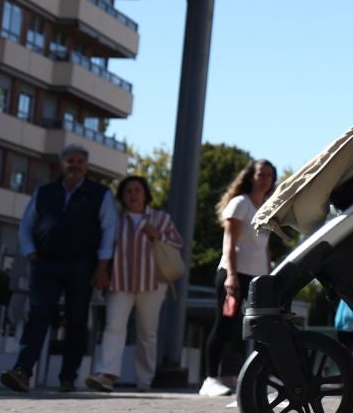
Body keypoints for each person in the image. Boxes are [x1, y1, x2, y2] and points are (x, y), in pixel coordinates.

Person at [0, 144, 118, 393]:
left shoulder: (99, 194)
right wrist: (30, 252)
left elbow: (109, 231)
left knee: (76, 321)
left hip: (82, 265)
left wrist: (102, 267)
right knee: (38, 316)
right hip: (45, 263)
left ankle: (68, 377)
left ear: (86, 166)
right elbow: (26, 225)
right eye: (69, 161)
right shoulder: (45, 192)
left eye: (79, 161)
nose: (74, 165)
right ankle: (22, 371)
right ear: (61, 164)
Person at [86, 174, 184, 392]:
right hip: (119, 282)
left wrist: (158, 235)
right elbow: (103, 246)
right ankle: (106, 375)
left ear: (145, 194)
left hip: (153, 283)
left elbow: (178, 242)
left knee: (147, 333)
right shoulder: (114, 220)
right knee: (113, 328)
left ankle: (144, 381)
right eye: (128, 191)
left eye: (137, 190)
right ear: (122, 196)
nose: (133, 195)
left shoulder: (160, 218)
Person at [198, 158, 278, 396]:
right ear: (250, 177)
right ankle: (210, 379)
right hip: (233, 275)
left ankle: (265, 376)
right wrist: (231, 276)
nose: (264, 179)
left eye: (269, 175)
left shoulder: (267, 207)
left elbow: (265, 247)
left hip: (257, 278)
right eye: (260, 174)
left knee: (263, 326)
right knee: (224, 326)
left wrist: (268, 278)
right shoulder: (240, 203)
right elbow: (229, 244)